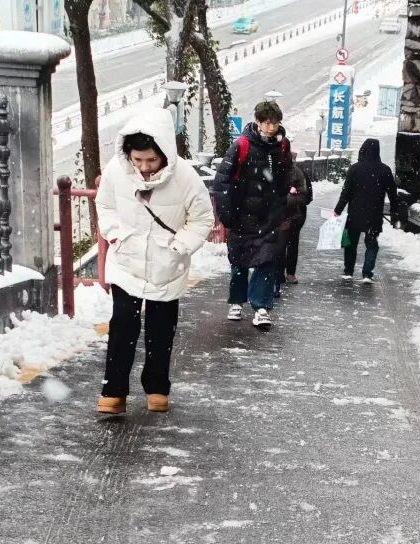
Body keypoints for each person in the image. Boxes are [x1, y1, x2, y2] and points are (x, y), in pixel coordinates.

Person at [95, 109, 214, 415]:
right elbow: (105, 205)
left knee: (161, 330)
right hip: (126, 261)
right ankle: (114, 390)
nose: (145, 168)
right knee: (122, 324)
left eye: (151, 160)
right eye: (138, 161)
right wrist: (115, 234)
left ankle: (157, 387)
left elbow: (202, 219)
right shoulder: (115, 171)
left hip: (167, 264)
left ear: (164, 154)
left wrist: (179, 246)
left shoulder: (185, 177)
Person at [213, 100, 293, 328]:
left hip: (269, 217)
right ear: (258, 122)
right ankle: (237, 300)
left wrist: (281, 203)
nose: (271, 128)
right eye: (267, 123)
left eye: (275, 123)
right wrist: (227, 214)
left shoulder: (282, 146)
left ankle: (261, 307)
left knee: (267, 260)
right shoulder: (241, 146)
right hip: (241, 216)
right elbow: (222, 182)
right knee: (239, 260)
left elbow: (285, 175)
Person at [334, 138, 399, 284]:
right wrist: (395, 212)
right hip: (374, 215)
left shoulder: (355, 169)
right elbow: (393, 194)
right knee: (371, 244)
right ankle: (367, 273)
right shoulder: (385, 170)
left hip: (355, 214)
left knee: (351, 243)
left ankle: (348, 271)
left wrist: (338, 209)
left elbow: (346, 192)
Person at [275, 154, 312, 296]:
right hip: (290, 216)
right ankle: (288, 273)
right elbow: (308, 198)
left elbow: (306, 197)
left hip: (288, 216)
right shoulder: (299, 173)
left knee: (282, 245)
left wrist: (288, 200)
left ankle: (282, 273)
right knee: (290, 244)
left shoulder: (295, 174)